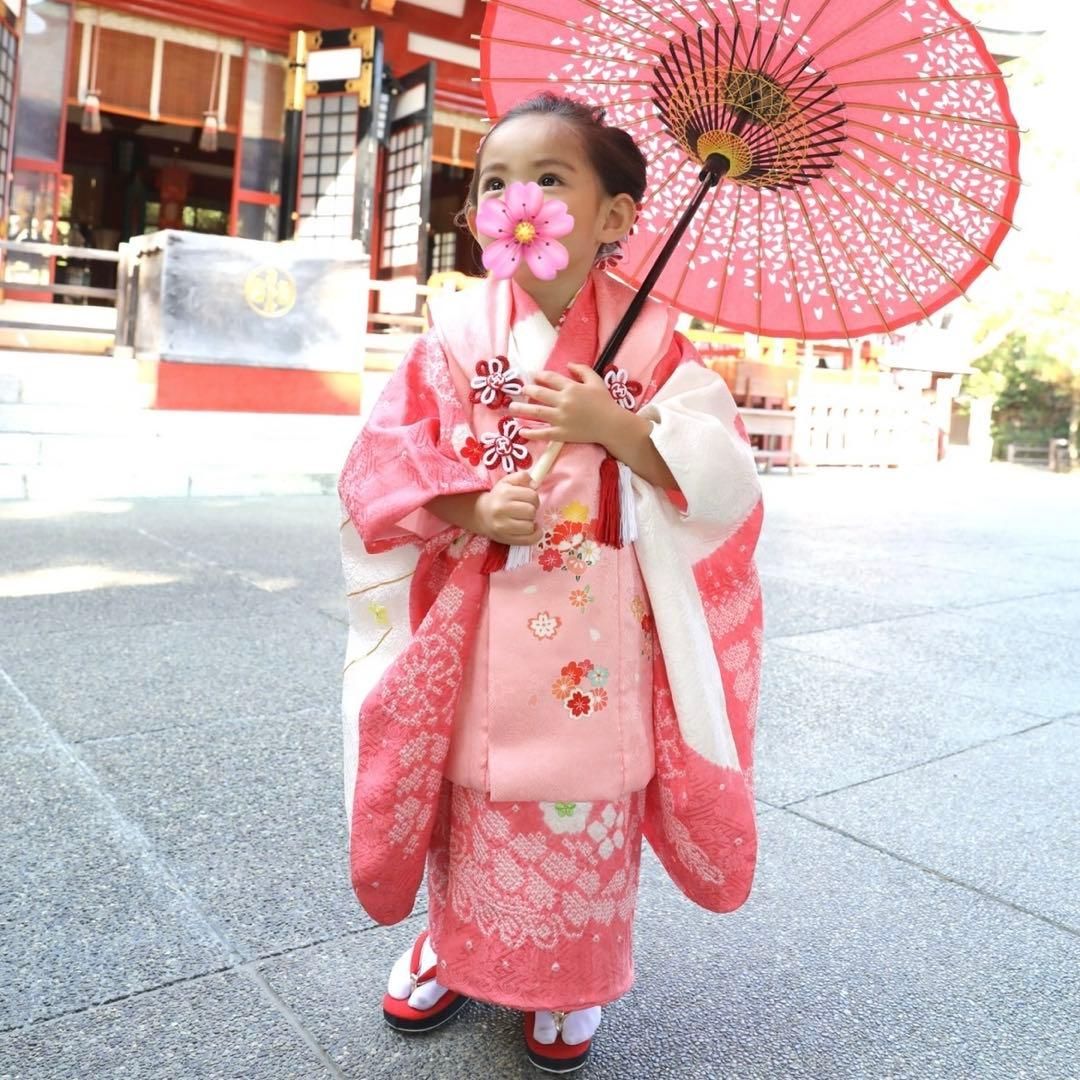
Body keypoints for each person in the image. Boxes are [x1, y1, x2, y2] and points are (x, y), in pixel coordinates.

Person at [337, 92, 764, 1073]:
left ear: (616, 216)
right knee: (468, 793)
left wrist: (621, 429)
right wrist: (470, 510)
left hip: (599, 626)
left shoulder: (654, 346)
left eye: (547, 179)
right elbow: (385, 460)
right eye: (494, 181)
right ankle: (453, 943)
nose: (513, 198)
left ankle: (573, 974)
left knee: (584, 799)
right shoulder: (452, 336)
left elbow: (725, 479)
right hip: (480, 614)